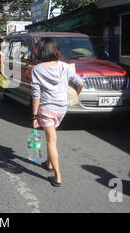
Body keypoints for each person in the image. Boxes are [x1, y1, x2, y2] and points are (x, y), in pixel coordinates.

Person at [31, 37, 84, 187]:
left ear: (40, 51)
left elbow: (36, 95)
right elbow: (80, 83)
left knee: (51, 141)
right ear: (55, 50)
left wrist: (34, 115)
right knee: (52, 137)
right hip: (62, 108)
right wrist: (74, 95)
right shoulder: (64, 66)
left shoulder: (38, 69)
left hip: (48, 109)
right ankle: (48, 164)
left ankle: (57, 176)